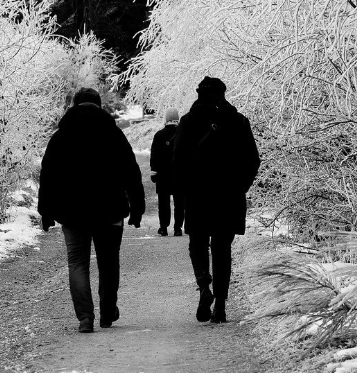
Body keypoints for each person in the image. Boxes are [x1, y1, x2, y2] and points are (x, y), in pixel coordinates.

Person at [38, 87, 145, 333]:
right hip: (110, 209)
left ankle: (85, 318)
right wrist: (137, 208)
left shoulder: (61, 136)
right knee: (109, 262)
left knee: (77, 263)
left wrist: (46, 211)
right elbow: (131, 172)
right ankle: (107, 312)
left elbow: (49, 175)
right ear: (99, 105)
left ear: (74, 105)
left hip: (72, 212)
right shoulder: (114, 134)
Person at [173, 77, 260, 324]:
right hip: (228, 196)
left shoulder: (188, 122)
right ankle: (220, 305)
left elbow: (177, 161)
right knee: (222, 249)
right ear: (223, 94)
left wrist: (186, 190)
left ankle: (204, 286)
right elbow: (252, 160)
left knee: (197, 243)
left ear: (199, 94)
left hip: (198, 195)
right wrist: (240, 187)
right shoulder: (238, 121)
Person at [150, 108, 183, 237]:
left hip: (162, 174)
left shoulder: (159, 135)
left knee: (163, 202)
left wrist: (154, 172)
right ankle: (178, 228)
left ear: (166, 119)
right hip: (178, 174)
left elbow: (154, 156)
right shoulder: (182, 134)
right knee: (179, 202)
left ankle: (163, 227)